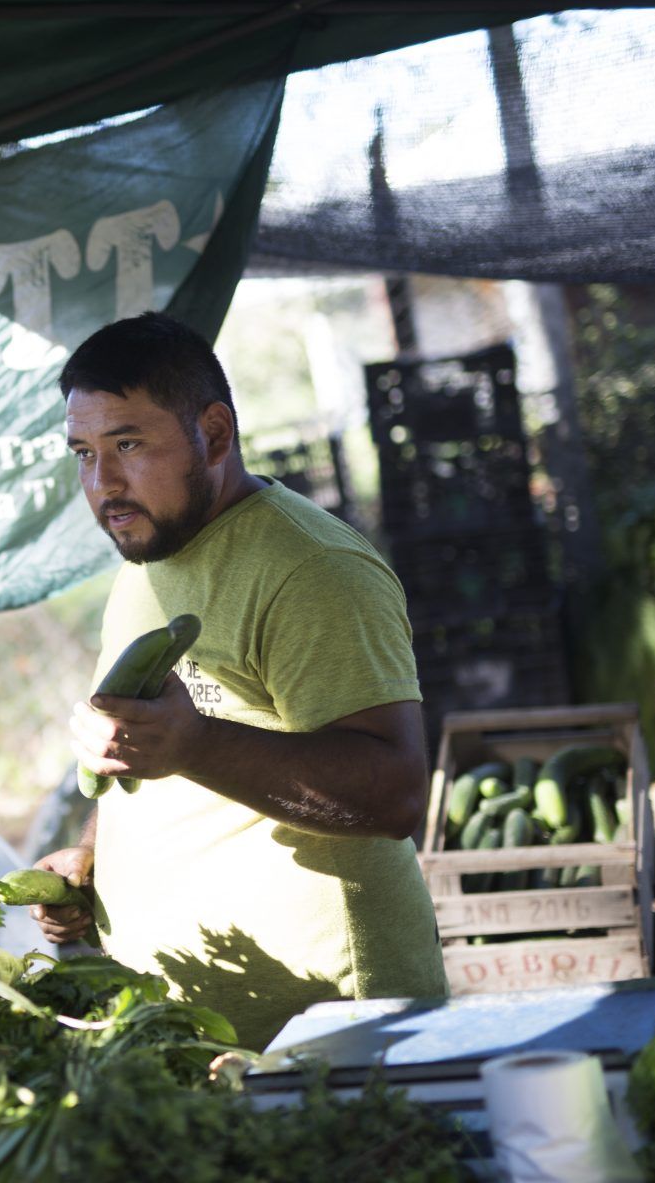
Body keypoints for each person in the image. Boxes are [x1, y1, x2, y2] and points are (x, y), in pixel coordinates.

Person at [31, 311, 446, 1049]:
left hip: (331, 1027)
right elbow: (155, 754)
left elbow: (397, 792)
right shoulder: (148, 559)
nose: (103, 484)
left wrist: (195, 745)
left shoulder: (313, 569)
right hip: (193, 1030)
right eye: (84, 453)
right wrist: (94, 856)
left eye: (128, 444)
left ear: (214, 434)